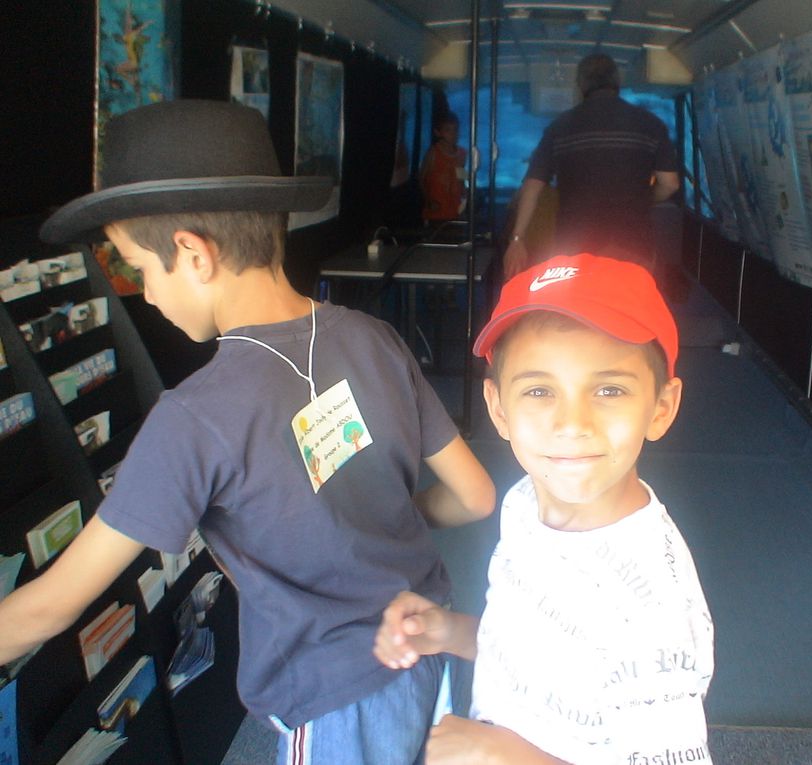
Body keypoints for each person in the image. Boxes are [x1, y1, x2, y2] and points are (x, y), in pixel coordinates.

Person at [0, 99, 496, 765]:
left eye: (137, 270)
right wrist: (376, 518)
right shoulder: (374, 337)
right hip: (431, 640)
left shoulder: (190, 418)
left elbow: (48, 609)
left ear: (192, 253)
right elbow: (474, 495)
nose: (144, 295)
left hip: (331, 696)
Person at [375, 253, 715, 764]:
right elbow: (542, 646)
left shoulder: (652, 611)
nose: (571, 423)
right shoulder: (525, 499)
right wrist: (452, 632)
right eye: (538, 390)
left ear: (660, 408)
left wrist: (501, 755)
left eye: (608, 389)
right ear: (498, 410)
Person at [503, 54, 680, 279]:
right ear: (617, 82)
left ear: (580, 85)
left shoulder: (559, 127)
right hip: (633, 243)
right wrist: (645, 198)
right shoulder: (651, 124)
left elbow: (533, 186)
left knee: (579, 309)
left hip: (576, 244)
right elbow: (670, 184)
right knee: (624, 307)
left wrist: (517, 239)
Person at [420, 111, 467, 226]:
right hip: (435, 213)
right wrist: (429, 200)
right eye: (448, 130)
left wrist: (465, 201)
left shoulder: (462, 153)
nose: (453, 134)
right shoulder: (433, 153)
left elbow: (461, 178)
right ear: (438, 132)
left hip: (455, 212)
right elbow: (421, 179)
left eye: (455, 129)